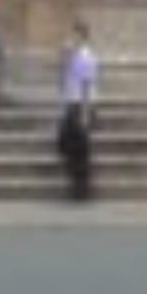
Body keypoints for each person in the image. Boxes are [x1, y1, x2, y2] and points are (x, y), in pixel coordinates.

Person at [54, 19, 100, 201]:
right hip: (72, 104)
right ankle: (78, 187)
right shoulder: (71, 56)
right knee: (68, 146)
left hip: (81, 106)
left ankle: (82, 190)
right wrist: (63, 58)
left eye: (74, 35)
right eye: (71, 35)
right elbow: (63, 81)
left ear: (82, 37)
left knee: (79, 150)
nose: (71, 39)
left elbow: (87, 85)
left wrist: (85, 114)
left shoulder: (86, 57)